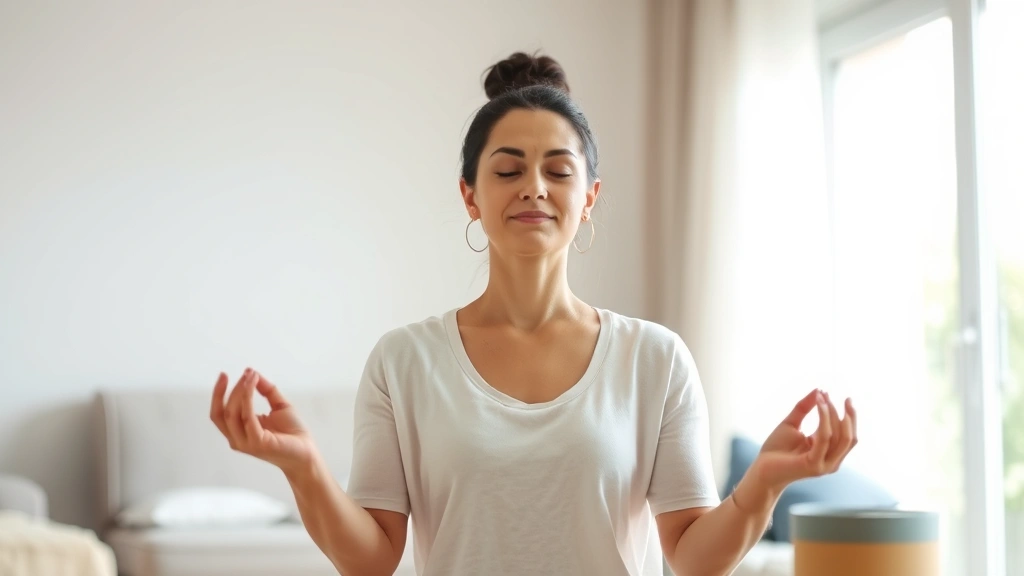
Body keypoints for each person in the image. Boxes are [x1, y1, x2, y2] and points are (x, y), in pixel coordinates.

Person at [209, 52, 857, 576]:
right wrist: (304, 469)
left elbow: (690, 555)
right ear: (470, 194)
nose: (534, 187)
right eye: (508, 168)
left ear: (590, 196)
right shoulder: (403, 361)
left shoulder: (655, 358)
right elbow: (373, 557)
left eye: (558, 169)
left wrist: (766, 482)